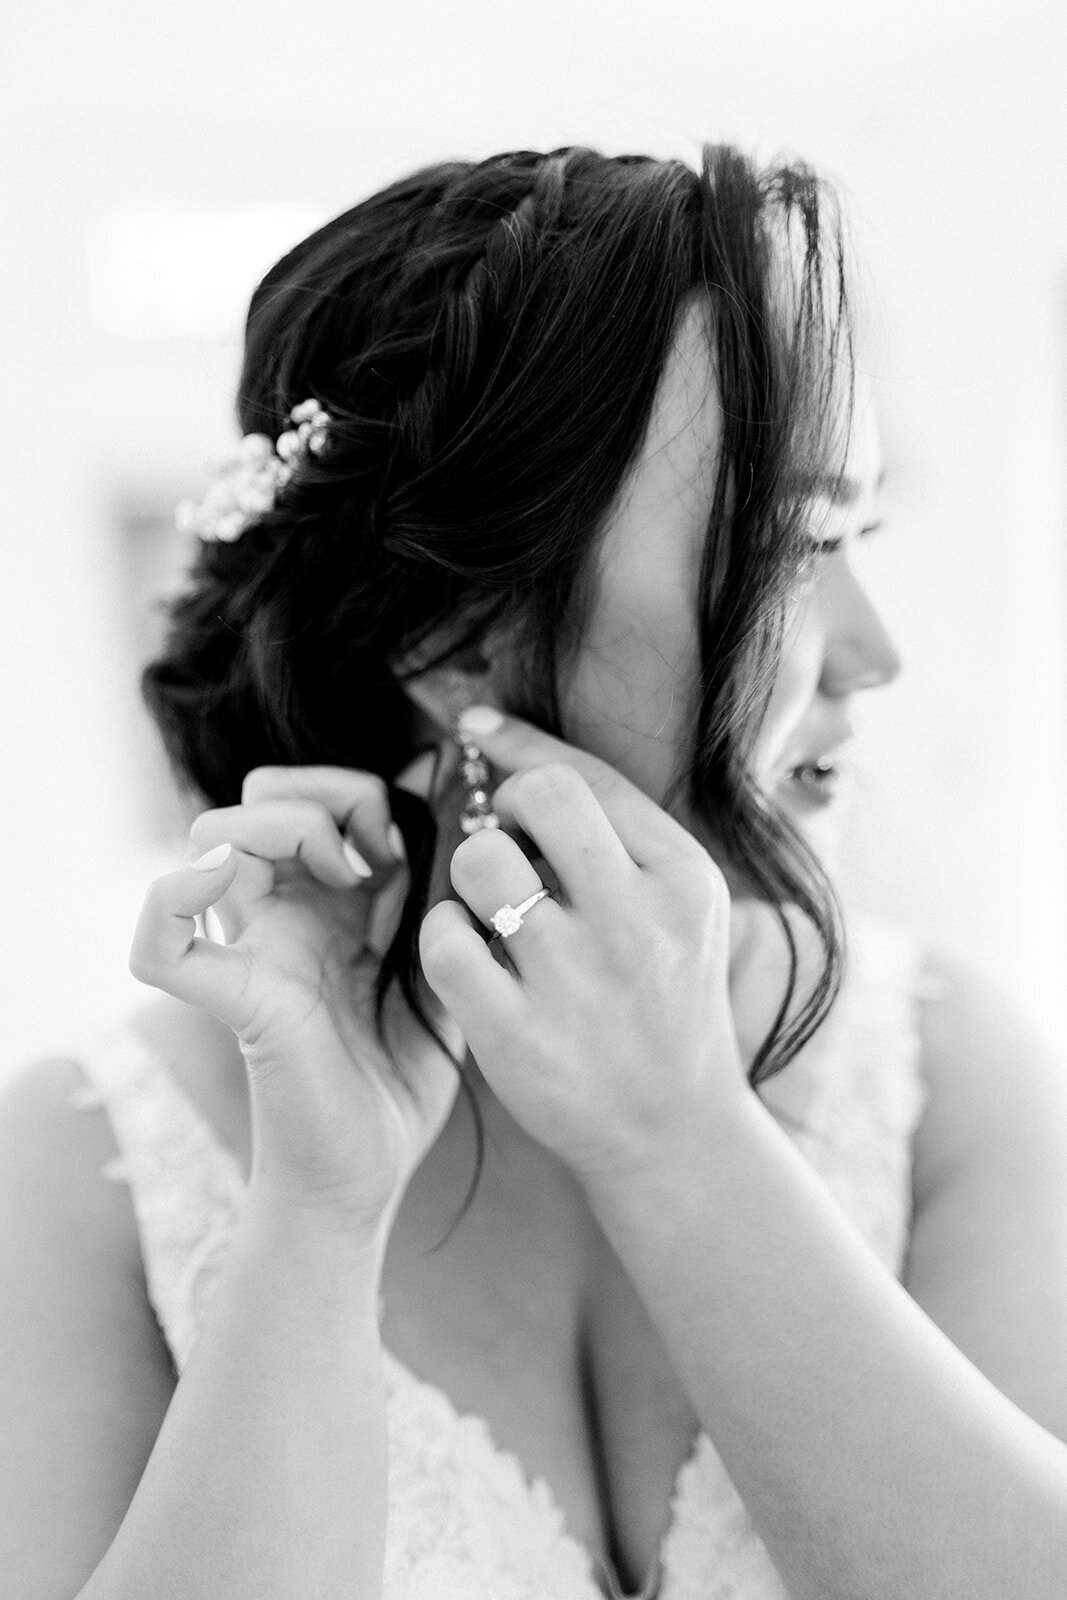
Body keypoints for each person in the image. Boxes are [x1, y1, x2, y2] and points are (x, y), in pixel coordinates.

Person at [2, 143, 1066, 1600]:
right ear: (453, 641)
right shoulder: (83, 1160)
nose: (875, 651)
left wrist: (678, 1133)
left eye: (859, 533)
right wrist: (318, 1210)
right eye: (786, 543)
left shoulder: (950, 1069)